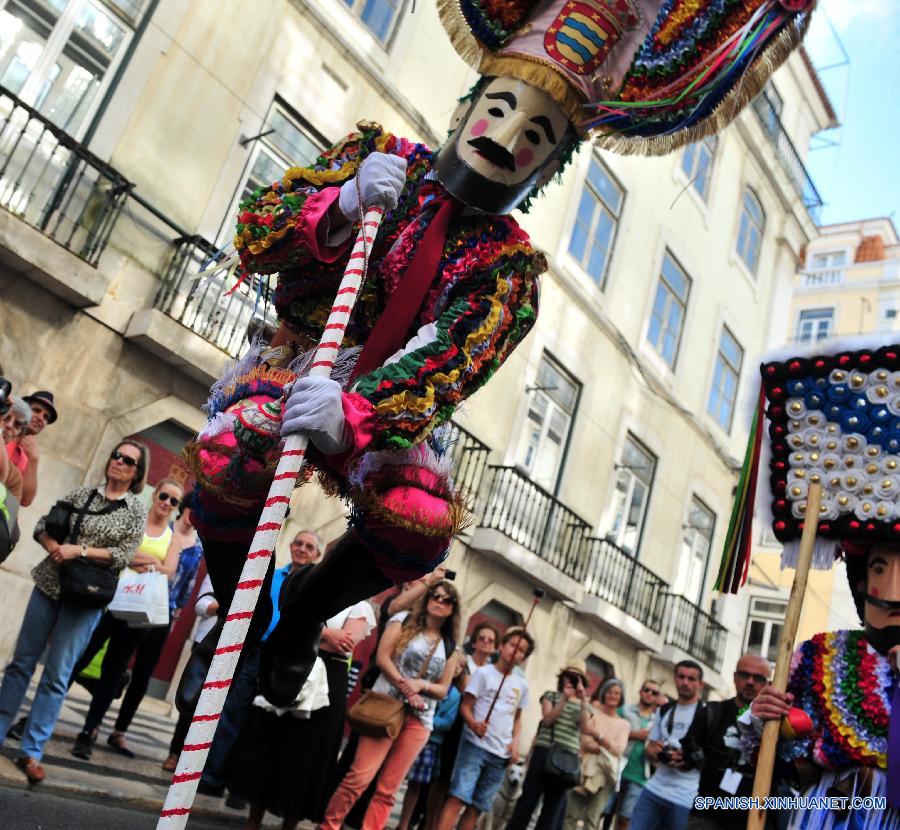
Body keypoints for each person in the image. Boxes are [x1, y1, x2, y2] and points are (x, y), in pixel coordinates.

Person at [184, 0, 811, 711]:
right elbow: (258, 229)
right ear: (469, 106)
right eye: (500, 110)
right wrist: (343, 202)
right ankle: (243, 613)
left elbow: (449, 365)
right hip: (298, 364)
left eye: (535, 136)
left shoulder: (508, 269)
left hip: (377, 413)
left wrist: (351, 417)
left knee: (420, 518)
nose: (507, 138)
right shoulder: (377, 157)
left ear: (549, 164)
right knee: (231, 447)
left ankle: (304, 611)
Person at [0, 438, 147, 783]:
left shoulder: (135, 510)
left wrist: (78, 551)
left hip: (88, 597)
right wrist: (55, 546)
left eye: (128, 460)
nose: (119, 461)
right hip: (49, 584)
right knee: (21, 663)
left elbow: (124, 555)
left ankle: (32, 751)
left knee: (57, 674)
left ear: (137, 473)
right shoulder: (82, 495)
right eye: (116, 455)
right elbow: (42, 526)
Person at [745, 541, 900, 828]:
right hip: (827, 813)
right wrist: (763, 715)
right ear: (863, 584)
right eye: (879, 570)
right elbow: (774, 748)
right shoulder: (821, 652)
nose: (893, 592)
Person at [225, 592, 376, 830]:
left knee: (306, 754)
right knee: (269, 742)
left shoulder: (360, 606)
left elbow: (343, 644)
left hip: (328, 682)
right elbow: (286, 627)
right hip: (290, 669)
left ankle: (290, 825)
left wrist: (308, 630)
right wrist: (326, 633)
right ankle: (252, 823)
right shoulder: (309, 590)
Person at [195, 528, 326, 799]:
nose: (302, 549)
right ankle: (212, 777)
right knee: (232, 713)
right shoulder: (273, 576)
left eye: (309, 547)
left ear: (317, 555)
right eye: (299, 543)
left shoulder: (316, 587)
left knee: (262, 725)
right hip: (256, 652)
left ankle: (240, 788)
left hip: (286, 660)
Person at [320, 581, 460, 830]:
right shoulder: (402, 620)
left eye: (446, 600)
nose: (439, 602)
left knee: (388, 790)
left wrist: (421, 685)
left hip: (419, 720)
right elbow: (383, 658)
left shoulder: (449, 646)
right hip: (384, 706)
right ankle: (329, 826)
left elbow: (443, 689)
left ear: (453, 609)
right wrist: (406, 687)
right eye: (435, 596)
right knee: (358, 778)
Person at [71, 477, 184, 760]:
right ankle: (43, 712)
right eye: (164, 496)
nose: (167, 503)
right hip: (108, 600)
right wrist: (151, 562)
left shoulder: (171, 536)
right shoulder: (135, 520)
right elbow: (122, 552)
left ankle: (89, 730)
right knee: (80, 656)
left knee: (113, 670)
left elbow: (170, 570)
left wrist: (141, 560)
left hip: (137, 612)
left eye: (173, 501)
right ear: (154, 495)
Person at [107, 487, 203, 757]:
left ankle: (120, 730)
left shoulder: (197, 547)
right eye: (192, 508)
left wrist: (175, 614)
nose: (194, 515)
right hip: (135, 600)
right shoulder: (165, 531)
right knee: (115, 662)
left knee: (143, 674)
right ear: (183, 508)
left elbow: (188, 586)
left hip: (163, 613)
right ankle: (94, 722)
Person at [438, 627, 534, 830]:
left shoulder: (522, 685)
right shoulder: (483, 674)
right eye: (512, 645)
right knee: (457, 798)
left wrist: (515, 744)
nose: (515, 651)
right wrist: (473, 723)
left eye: (521, 650)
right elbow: (465, 706)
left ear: (524, 658)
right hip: (475, 746)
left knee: (477, 807)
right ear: (502, 646)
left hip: (500, 755)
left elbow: (517, 718)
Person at [683, 654, 770, 830]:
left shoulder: (774, 724)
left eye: (758, 678)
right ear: (735, 677)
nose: (750, 682)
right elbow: (689, 748)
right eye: (745, 675)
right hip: (707, 815)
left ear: (768, 684)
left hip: (752, 820)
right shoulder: (713, 712)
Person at [503, 662, 587, 830]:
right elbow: (548, 720)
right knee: (527, 801)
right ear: (562, 678)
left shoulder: (585, 704)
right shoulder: (551, 696)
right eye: (568, 676)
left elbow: (585, 728)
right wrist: (564, 699)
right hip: (544, 752)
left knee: (552, 810)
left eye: (576, 678)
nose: (571, 680)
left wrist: (583, 699)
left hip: (567, 759)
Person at [630, 661, 705, 830]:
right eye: (681, 677)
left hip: (685, 798)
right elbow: (649, 748)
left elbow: (708, 759)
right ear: (674, 678)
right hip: (654, 789)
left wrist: (687, 758)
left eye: (691, 679)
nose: (685, 682)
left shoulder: (706, 714)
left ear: (701, 684)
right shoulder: (665, 710)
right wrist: (655, 751)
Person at [397, 659, 467, 830]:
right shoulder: (428, 683)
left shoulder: (454, 695)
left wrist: (426, 720)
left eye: (461, 666)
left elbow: (448, 722)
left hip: (431, 744)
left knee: (416, 785)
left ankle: (406, 824)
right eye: (454, 663)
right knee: (398, 777)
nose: (456, 668)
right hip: (411, 734)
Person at [164, 572, 218, 772]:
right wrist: (226, 606)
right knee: (190, 700)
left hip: (236, 651)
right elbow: (201, 605)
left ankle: (199, 762)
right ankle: (175, 752)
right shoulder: (219, 569)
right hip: (206, 644)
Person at [566, 678, 630, 830]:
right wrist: (607, 745)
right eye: (610, 692)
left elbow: (619, 750)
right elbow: (584, 741)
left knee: (592, 819)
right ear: (603, 693)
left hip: (605, 775)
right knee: (570, 815)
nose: (613, 696)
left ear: (621, 697)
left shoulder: (624, 724)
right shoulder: (592, 714)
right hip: (583, 769)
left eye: (617, 693)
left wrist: (597, 735)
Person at [610, 679, 661, 830]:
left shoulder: (659, 720)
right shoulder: (624, 710)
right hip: (614, 771)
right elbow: (611, 732)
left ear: (657, 697)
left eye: (654, 692)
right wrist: (634, 735)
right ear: (640, 691)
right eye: (647, 690)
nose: (649, 694)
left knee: (625, 820)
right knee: (604, 813)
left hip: (640, 777)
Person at [5, 390, 57, 507]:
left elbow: (25, 500)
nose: (40, 418)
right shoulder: (3, 432)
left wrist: (34, 460)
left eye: (46, 417)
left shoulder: (28, 456)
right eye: (36, 410)